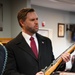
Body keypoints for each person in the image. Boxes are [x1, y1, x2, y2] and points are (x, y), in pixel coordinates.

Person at [3, 8, 70, 75]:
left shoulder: (47, 42)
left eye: (37, 19)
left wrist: (61, 61)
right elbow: (9, 72)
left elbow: (52, 66)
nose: (36, 22)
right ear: (22, 22)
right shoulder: (11, 46)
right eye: (32, 20)